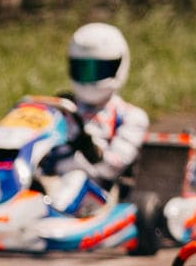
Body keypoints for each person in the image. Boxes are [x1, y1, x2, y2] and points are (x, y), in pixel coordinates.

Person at [53, 22, 147, 190]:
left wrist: (88, 147)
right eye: (84, 69)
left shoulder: (130, 116)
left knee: (75, 178)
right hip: (47, 182)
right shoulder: (60, 108)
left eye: (99, 70)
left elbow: (111, 169)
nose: (89, 78)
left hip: (94, 190)